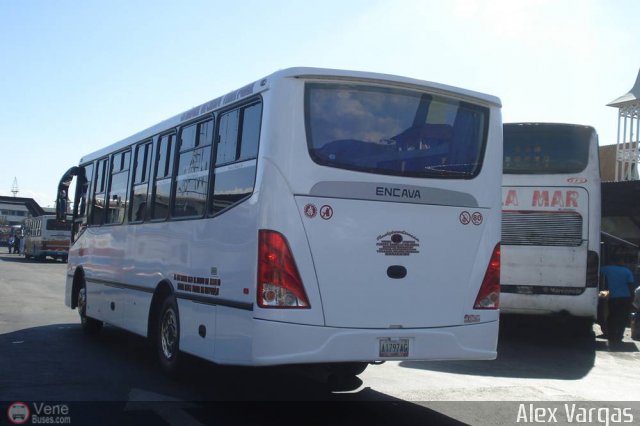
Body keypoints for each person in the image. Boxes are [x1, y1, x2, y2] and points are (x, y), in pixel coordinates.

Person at [600, 255, 636, 345]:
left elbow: (598, 270)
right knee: (622, 317)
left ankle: (611, 335)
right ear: (621, 261)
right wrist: (632, 299)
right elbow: (631, 286)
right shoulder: (627, 271)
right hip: (625, 298)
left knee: (612, 316)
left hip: (613, 298)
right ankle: (619, 335)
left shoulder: (607, 269)